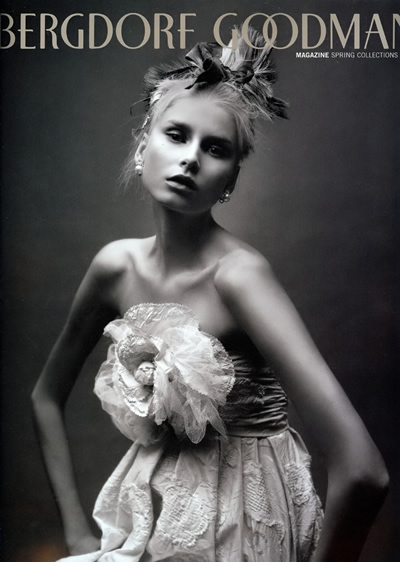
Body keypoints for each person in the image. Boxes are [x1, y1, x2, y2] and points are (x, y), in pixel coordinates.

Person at [32, 27, 388, 562]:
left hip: (246, 526)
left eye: (216, 148)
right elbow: (44, 397)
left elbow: (364, 471)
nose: (191, 158)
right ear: (143, 146)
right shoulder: (114, 266)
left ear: (230, 181)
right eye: (177, 135)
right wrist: (78, 535)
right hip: (152, 511)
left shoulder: (240, 277)